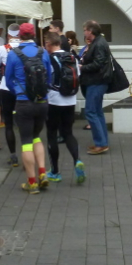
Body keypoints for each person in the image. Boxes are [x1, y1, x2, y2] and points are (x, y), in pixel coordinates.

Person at [5, 22, 53, 194]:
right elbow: (49, 78)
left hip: (23, 102)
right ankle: (43, 173)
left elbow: (8, 80)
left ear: (19, 35)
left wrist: (19, 92)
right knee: (37, 137)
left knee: (26, 141)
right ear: (33, 35)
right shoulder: (43, 52)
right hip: (42, 102)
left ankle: (31, 182)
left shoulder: (13, 54)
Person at [44, 32, 86, 184]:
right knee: (68, 133)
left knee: (51, 134)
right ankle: (77, 160)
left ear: (49, 44)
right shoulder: (72, 57)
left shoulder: (49, 59)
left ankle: (55, 171)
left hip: (54, 100)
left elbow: (46, 78)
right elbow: (78, 75)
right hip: (70, 100)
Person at [80, 20, 112, 154]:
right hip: (98, 81)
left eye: (85, 30)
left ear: (91, 31)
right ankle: (102, 142)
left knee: (91, 111)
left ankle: (101, 144)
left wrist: (82, 67)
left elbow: (98, 63)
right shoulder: (99, 42)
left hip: (96, 81)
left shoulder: (98, 44)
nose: (84, 33)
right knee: (97, 112)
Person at [0, 23, 22, 167]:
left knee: (8, 123)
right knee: (25, 123)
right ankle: (27, 154)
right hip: (22, 87)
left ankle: (13, 155)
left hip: (6, 86)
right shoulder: (25, 47)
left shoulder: (3, 48)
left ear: (8, 35)